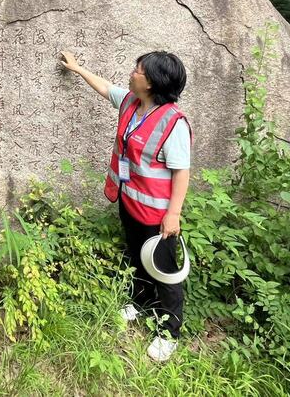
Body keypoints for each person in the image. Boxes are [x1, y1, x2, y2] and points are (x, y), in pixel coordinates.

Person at [60, 50, 191, 362]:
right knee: (136, 256)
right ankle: (140, 302)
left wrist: (173, 214)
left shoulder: (173, 123)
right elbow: (106, 88)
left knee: (164, 271)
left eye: (139, 70)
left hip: (157, 215)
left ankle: (169, 333)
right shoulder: (133, 104)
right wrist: (78, 68)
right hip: (130, 202)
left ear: (152, 83)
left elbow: (181, 172)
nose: (132, 73)